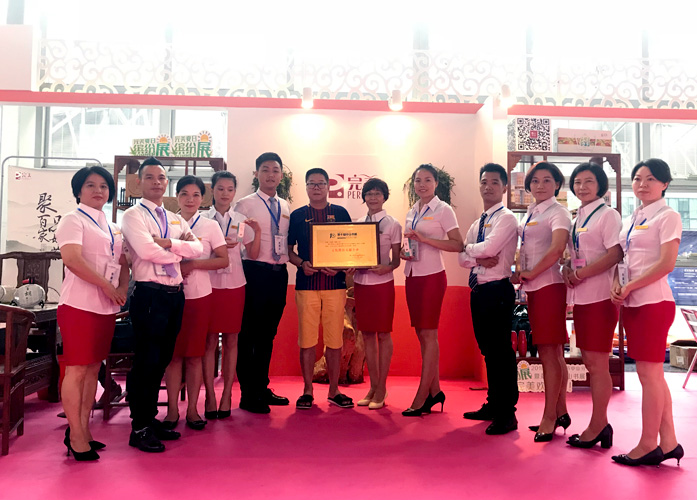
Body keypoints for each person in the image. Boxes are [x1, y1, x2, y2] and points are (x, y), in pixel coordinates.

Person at [121, 157, 203, 453]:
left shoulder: (174, 218)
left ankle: (150, 418)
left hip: (174, 294)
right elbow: (146, 251)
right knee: (146, 360)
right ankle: (139, 426)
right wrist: (180, 252)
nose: (157, 182)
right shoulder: (133, 215)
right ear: (138, 182)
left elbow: (199, 247)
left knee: (163, 358)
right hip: (149, 294)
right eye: (150, 177)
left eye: (161, 177)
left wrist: (168, 244)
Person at [611, 159, 684, 466]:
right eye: (638, 178)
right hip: (633, 302)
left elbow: (667, 263)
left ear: (665, 184)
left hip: (653, 302)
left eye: (651, 179)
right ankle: (668, 442)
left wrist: (630, 286)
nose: (642, 184)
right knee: (652, 375)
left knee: (649, 375)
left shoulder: (668, 216)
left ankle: (647, 444)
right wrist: (618, 284)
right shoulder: (634, 217)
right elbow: (625, 259)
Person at [56, 166, 130, 461]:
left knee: (91, 370)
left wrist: (121, 288)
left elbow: (123, 262)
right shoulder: (72, 220)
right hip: (79, 304)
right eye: (90, 185)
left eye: (103, 186)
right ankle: (75, 435)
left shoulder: (112, 226)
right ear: (78, 191)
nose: (98, 190)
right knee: (76, 369)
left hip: (106, 307)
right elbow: (72, 259)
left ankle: (84, 430)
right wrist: (107, 286)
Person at [561, 163, 622, 450]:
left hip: (599, 296)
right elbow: (577, 252)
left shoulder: (608, 215)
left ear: (600, 185)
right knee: (589, 361)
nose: (582, 187)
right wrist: (568, 268)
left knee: (597, 365)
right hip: (582, 296)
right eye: (577, 182)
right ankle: (601, 425)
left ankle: (599, 424)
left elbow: (615, 254)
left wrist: (581, 273)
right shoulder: (579, 216)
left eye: (589, 181)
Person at [162, 176, 228, 431]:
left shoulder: (210, 226)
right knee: (173, 356)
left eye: (196, 195)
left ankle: (192, 409)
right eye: (184, 194)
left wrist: (193, 264)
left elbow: (223, 260)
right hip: (169, 295)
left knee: (194, 356)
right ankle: (171, 411)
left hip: (199, 297)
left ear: (203, 198)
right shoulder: (167, 222)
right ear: (176, 196)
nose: (190, 200)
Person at [459, 163, 519, 434]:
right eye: (484, 182)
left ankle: (507, 412)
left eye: (495, 182)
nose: (488, 187)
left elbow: (490, 247)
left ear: (504, 187)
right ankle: (493, 404)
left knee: (501, 352)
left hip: (498, 290)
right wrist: (477, 256)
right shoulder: (477, 223)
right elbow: (461, 259)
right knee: (488, 351)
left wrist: (470, 250)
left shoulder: (506, 218)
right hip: (478, 291)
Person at [288, 167, 354, 409]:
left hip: (335, 285)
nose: (316, 188)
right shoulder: (297, 216)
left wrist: (344, 266)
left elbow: (350, 245)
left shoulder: (341, 213)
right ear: (306, 187)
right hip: (307, 285)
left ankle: (334, 390)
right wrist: (301, 264)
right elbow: (288, 251)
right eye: (311, 184)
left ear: (328, 186)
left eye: (321, 183)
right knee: (307, 341)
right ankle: (307, 391)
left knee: (335, 341)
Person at [514, 161, 571, 442]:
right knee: (553, 353)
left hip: (549, 285)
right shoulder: (531, 212)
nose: (540, 185)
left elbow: (557, 248)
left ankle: (549, 417)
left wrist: (532, 272)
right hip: (534, 287)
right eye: (535, 181)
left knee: (549, 353)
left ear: (557, 184)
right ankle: (560, 411)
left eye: (547, 180)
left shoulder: (559, 212)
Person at [401, 163, 463, 416]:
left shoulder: (443, 209)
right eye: (418, 180)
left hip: (432, 276)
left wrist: (425, 240)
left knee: (429, 335)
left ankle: (421, 396)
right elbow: (411, 241)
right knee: (421, 334)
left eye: (427, 180)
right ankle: (435, 391)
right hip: (412, 275)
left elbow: (458, 244)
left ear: (436, 183)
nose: (422, 184)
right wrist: (406, 251)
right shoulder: (412, 211)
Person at [234, 153, 291, 413]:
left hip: (278, 274)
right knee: (249, 334)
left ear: (281, 175)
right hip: (254, 272)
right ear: (256, 174)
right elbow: (241, 243)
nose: (270, 174)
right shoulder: (244, 205)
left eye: (275, 170)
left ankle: (261, 387)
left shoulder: (285, 206)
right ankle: (248, 393)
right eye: (265, 169)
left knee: (268, 334)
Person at [202, 171, 260, 418]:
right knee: (209, 341)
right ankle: (210, 395)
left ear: (234, 192)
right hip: (209, 285)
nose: (225, 194)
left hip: (235, 284)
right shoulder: (203, 220)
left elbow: (252, 254)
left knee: (232, 340)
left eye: (229, 189)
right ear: (212, 190)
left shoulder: (240, 220)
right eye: (220, 188)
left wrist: (257, 232)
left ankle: (227, 394)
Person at [353, 178, 402, 410]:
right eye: (369, 193)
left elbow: (396, 261)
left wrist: (387, 268)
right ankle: (372, 387)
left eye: (377, 193)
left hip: (382, 284)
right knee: (367, 335)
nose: (373, 197)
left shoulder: (392, 224)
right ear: (364, 197)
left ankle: (382, 387)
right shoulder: (357, 223)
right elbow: (353, 254)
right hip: (361, 282)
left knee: (383, 334)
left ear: (384, 197)